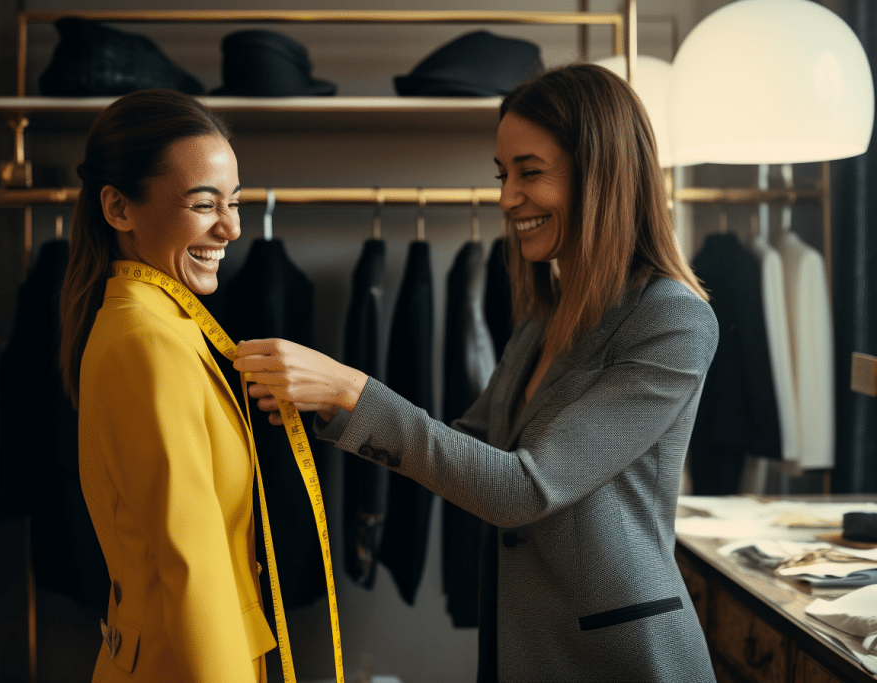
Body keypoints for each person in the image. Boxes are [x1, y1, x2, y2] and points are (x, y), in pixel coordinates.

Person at [234, 64, 719, 683]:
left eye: (529, 172)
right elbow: (468, 448)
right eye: (502, 174)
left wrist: (350, 388)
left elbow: (523, 489)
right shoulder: (545, 318)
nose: (507, 196)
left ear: (602, 176)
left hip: (622, 659)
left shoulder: (672, 322)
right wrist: (330, 408)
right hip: (525, 649)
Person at [59, 89, 276, 682]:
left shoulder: (162, 324)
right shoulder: (147, 340)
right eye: (204, 204)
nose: (231, 227)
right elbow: (191, 563)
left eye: (233, 201)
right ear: (118, 208)